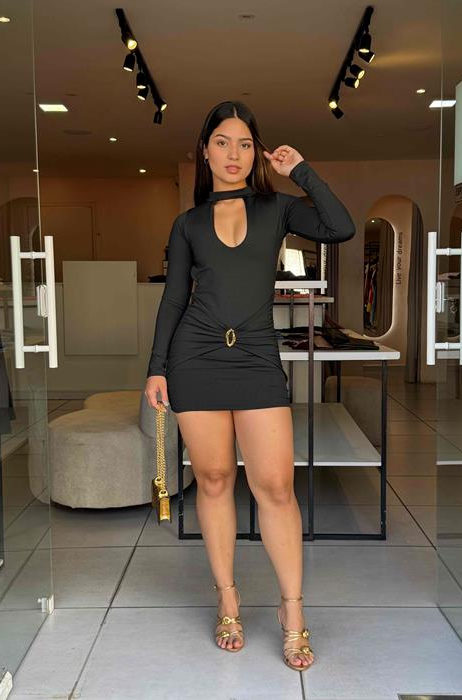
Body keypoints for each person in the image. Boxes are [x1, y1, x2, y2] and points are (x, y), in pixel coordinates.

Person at [145, 100, 355, 671]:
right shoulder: (187, 224)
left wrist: (300, 171)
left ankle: (292, 610)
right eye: (222, 142)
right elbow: (173, 299)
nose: (233, 154)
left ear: (256, 152)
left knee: (276, 487)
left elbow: (340, 227)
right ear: (205, 151)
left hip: (257, 358)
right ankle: (228, 600)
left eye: (244, 143)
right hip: (195, 358)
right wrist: (157, 367)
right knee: (213, 479)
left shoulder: (278, 208)